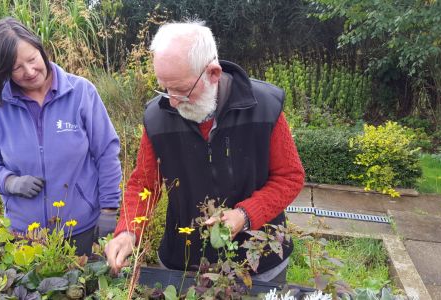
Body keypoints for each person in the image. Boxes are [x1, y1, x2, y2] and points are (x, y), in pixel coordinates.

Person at [104, 21, 305, 283]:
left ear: (213, 73)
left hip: (258, 263)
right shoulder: (158, 116)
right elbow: (143, 183)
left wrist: (245, 215)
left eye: (181, 89)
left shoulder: (264, 107)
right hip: (183, 263)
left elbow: (290, 177)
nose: (172, 101)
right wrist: (128, 231)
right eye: (164, 87)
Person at [0, 17, 122, 256]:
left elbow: (106, 152)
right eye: (16, 68)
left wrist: (108, 209)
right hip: (25, 235)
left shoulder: (81, 93)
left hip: (80, 229)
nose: (29, 71)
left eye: (32, 59)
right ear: (4, 70)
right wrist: (9, 182)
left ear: (41, 50)